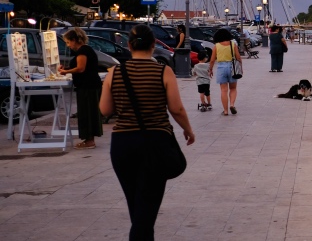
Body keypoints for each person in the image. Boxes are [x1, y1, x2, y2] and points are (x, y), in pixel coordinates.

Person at [99, 24, 195, 241]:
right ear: (153, 45)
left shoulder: (115, 72)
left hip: (122, 144)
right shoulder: (163, 71)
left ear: (129, 45)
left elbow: (105, 110)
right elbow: (176, 108)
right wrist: (188, 130)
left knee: (136, 204)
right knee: (147, 207)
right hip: (155, 142)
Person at [59, 27, 103, 149]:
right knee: (88, 112)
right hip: (89, 85)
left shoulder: (83, 51)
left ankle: (89, 140)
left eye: (68, 42)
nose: (68, 46)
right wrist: (66, 69)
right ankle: (89, 139)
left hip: (87, 86)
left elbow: (80, 68)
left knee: (87, 112)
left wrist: (66, 71)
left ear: (74, 40)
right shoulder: (85, 50)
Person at [208, 28, 242, 115]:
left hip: (221, 67)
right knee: (233, 88)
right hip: (232, 67)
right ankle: (232, 104)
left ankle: (226, 111)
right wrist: (241, 68)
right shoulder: (232, 44)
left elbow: (212, 60)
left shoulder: (216, 46)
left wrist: (210, 69)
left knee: (223, 90)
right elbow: (238, 57)